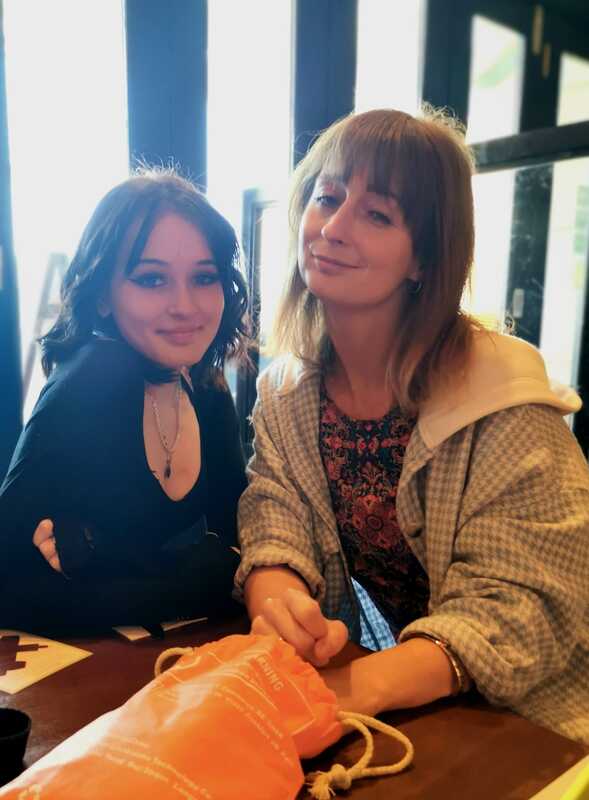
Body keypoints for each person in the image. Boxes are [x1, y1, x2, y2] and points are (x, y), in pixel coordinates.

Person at [235, 107, 589, 744]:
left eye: (377, 214)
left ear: (424, 258)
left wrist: (356, 687)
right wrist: (276, 591)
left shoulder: (503, 399)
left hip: (541, 722)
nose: (332, 229)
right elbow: (274, 512)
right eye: (327, 198)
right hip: (422, 711)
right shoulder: (287, 393)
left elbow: (525, 605)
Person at [0, 169, 249, 632]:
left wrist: (112, 564)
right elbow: (8, 587)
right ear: (102, 297)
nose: (185, 306)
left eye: (204, 277)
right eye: (152, 279)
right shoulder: (88, 381)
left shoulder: (207, 385)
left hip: (178, 657)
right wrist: (187, 581)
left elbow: (239, 541)